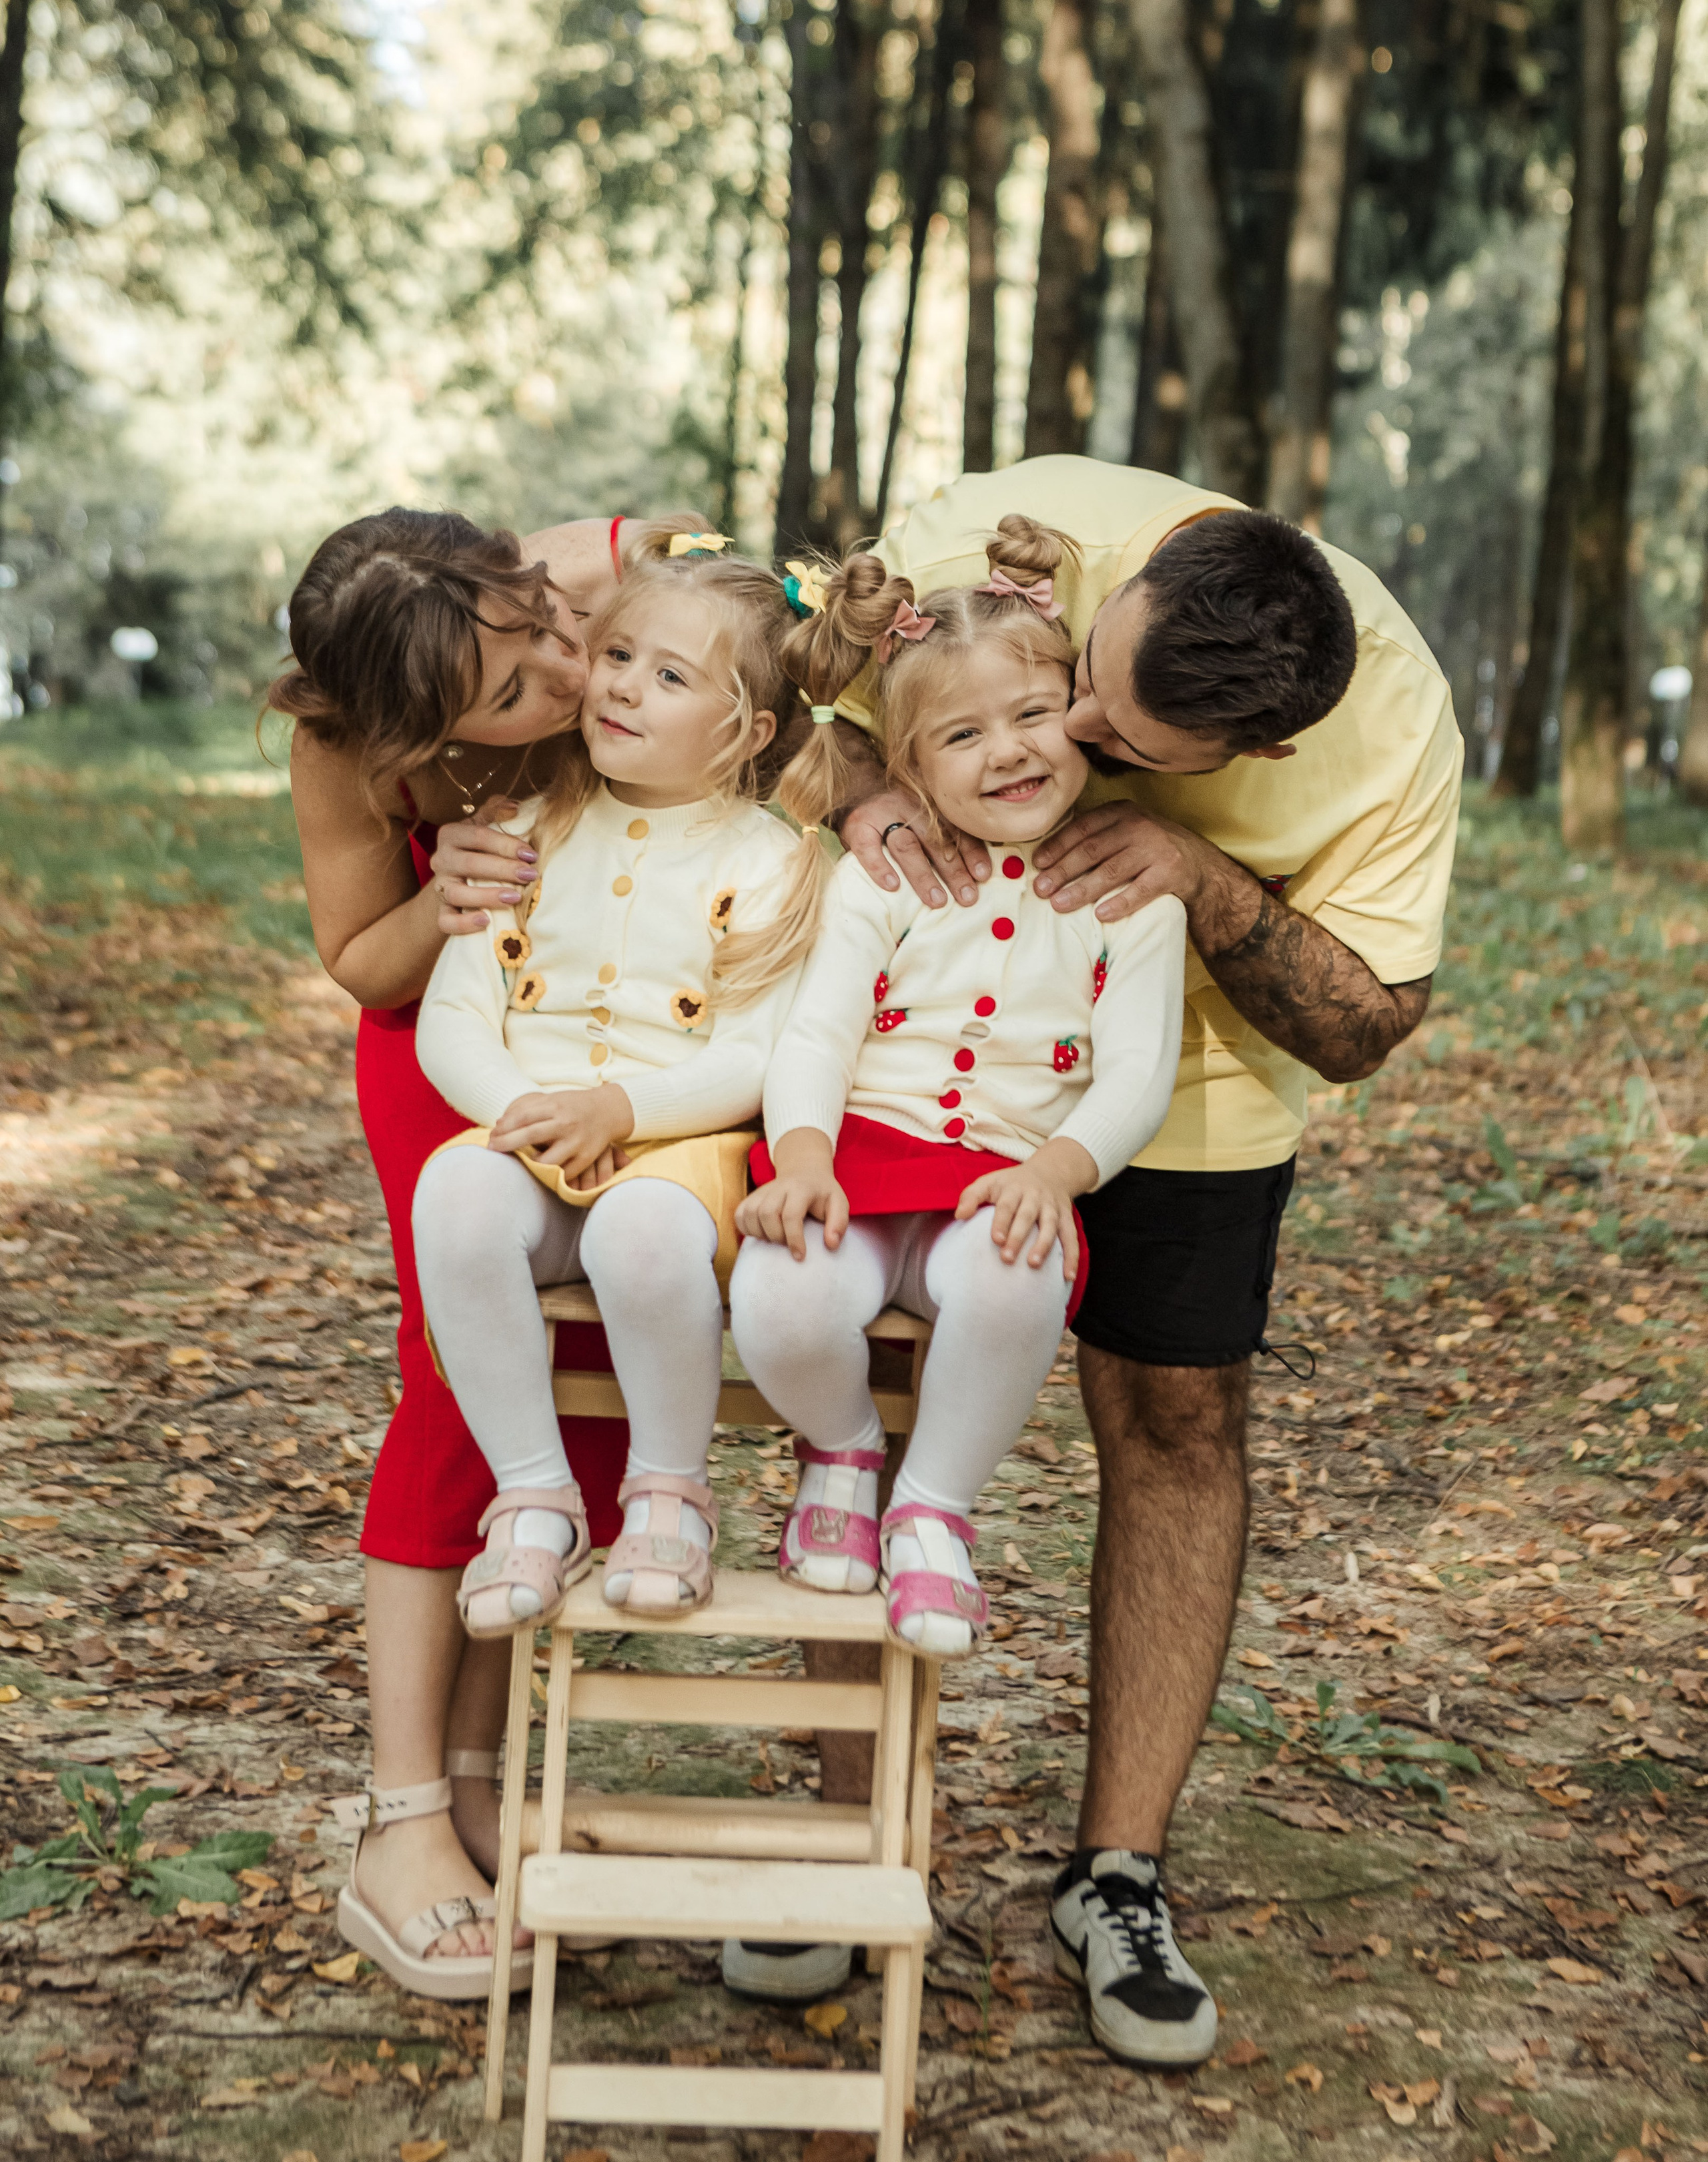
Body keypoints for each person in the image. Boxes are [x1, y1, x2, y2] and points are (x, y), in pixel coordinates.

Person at [815, 455, 1460, 2069]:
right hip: (924, 1053)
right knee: (867, 1398)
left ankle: (1116, 1878)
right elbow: (782, 687)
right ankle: (839, 1846)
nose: (1073, 745)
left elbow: (1368, 1024)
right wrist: (856, 787)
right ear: (1149, 572)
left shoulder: (1391, 733)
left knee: (1176, 1429)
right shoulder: (1024, 521)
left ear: (1263, 750)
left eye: (1125, 748)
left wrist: (1208, 886)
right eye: (1084, 690)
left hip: (1181, 1082)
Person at [278, 506, 719, 1993]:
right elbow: (357, 960)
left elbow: (770, 658)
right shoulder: (351, 741)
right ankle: (399, 1822)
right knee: (461, 1385)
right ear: (409, 727)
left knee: (594, 1369)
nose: (561, 671)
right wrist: (440, 893)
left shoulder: (608, 569)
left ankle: (483, 1774)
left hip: (632, 1026)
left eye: (537, 619)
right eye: (517, 688)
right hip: (450, 1038)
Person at [729, 520, 1184, 1671]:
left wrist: (1057, 1171)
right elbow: (820, 1031)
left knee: (1017, 1274)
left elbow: (1137, 1070)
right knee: (781, 1298)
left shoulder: (1132, 899)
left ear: (1079, 720)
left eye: (1033, 718)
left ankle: (933, 1507)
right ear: (910, 766)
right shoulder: (881, 877)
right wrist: (803, 1157)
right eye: (962, 735)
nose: (1008, 753)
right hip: (862, 1163)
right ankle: (843, 1454)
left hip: (1004, 1178)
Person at [407, 544, 818, 1646]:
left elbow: (760, 1055)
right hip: (529, 1126)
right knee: (453, 1203)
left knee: (640, 1232)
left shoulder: (775, 861)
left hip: (681, 1151)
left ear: (752, 732)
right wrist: (529, 1117)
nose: (625, 684)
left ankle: (668, 1494)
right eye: (620, 654)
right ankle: (535, 1498)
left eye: (672, 677)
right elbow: (455, 1017)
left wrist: (624, 1116)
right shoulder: (527, 826)